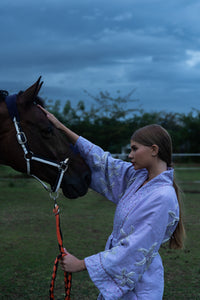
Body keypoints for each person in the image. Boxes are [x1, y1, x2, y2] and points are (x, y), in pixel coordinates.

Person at [38, 105, 185, 300]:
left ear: (154, 150)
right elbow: (103, 161)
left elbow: (135, 248)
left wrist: (81, 264)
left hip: (142, 287)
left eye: (134, 149)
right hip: (129, 280)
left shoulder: (163, 196)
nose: (130, 155)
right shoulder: (138, 177)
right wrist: (62, 128)